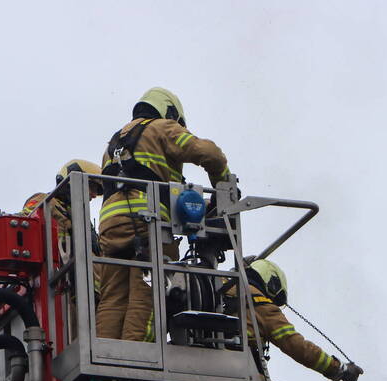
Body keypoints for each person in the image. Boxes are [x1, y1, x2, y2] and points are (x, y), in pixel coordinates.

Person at [96, 87, 231, 342]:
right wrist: (223, 187)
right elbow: (208, 153)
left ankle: (107, 354)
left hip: (111, 226)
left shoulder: (114, 142)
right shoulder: (162, 127)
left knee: (113, 298)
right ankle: (136, 358)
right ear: (169, 112)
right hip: (146, 222)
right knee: (148, 291)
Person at [226, 259, 364, 381]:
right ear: (272, 282)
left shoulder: (220, 282)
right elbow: (297, 346)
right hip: (232, 368)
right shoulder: (264, 307)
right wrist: (340, 369)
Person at [21, 160, 104, 340]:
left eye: (97, 191)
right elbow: (27, 221)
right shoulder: (44, 201)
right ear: (69, 181)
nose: (93, 195)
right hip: (60, 288)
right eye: (91, 186)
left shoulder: (83, 220)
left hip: (88, 294)